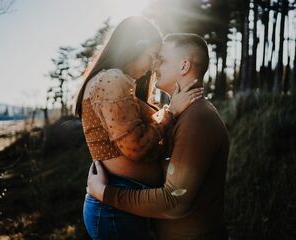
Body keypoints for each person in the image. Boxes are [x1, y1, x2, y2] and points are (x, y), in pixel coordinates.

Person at [87, 33, 230, 240]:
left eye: (162, 61)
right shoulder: (183, 114)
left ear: (184, 66)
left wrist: (104, 193)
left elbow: (174, 201)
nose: (155, 67)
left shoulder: (198, 119)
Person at [73, 17, 204, 240]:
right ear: (135, 47)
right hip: (116, 208)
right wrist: (170, 113)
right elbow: (137, 146)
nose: (152, 66)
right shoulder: (112, 79)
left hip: (123, 202)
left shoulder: (115, 82)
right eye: (152, 57)